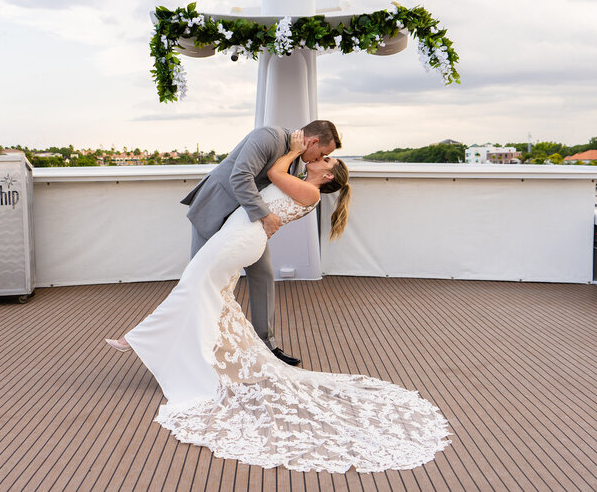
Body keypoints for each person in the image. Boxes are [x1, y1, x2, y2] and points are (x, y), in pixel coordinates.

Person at [105, 133, 451, 473]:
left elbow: (272, 175)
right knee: (203, 291)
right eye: (322, 154)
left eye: (325, 160)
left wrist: (296, 150)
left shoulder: (310, 192)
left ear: (327, 175)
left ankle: (135, 339)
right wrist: (298, 153)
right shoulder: (304, 182)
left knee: (193, 286)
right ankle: (185, 352)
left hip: (241, 239)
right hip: (237, 234)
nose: (318, 159)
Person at [180, 120, 341, 366]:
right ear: (314, 141)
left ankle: (266, 345)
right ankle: (195, 344)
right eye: (323, 153)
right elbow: (240, 177)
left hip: (245, 221)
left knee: (263, 274)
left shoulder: (296, 157)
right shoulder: (268, 137)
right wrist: (265, 216)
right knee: (199, 276)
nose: (318, 158)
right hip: (216, 207)